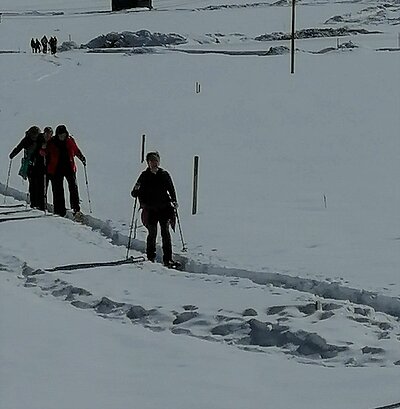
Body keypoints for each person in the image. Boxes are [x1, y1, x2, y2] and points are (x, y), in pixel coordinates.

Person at [131, 151, 178, 266]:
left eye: (156, 161)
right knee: (152, 233)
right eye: (152, 161)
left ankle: (168, 258)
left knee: (165, 233)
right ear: (148, 163)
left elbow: (171, 189)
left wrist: (174, 200)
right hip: (151, 209)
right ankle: (150, 256)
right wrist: (137, 191)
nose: (154, 163)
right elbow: (133, 192)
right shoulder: (144, 176)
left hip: (164, 208)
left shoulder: (164, 174)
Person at [46, 125, 86, 218]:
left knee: (73, 188)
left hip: (69, 168)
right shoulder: (52, 142)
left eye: (63, 135)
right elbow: (46, 152)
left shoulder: (69, 140)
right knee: (58, 190)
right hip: (56, 169)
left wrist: (82, 157)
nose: (62, 137)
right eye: (60, 135)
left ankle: (76, 208)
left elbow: (75, 150)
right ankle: (59, 210)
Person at [9, 126, 42, 208]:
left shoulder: (39, 139)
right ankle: (34, 203)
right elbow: (19, 147)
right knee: (33, 184)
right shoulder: (26, 140)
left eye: (36, 135)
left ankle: (37, 202)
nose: (35, 137)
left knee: (37, 184)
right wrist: (13, 154)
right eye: (34, 135)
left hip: (38, 164)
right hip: (30, 164)